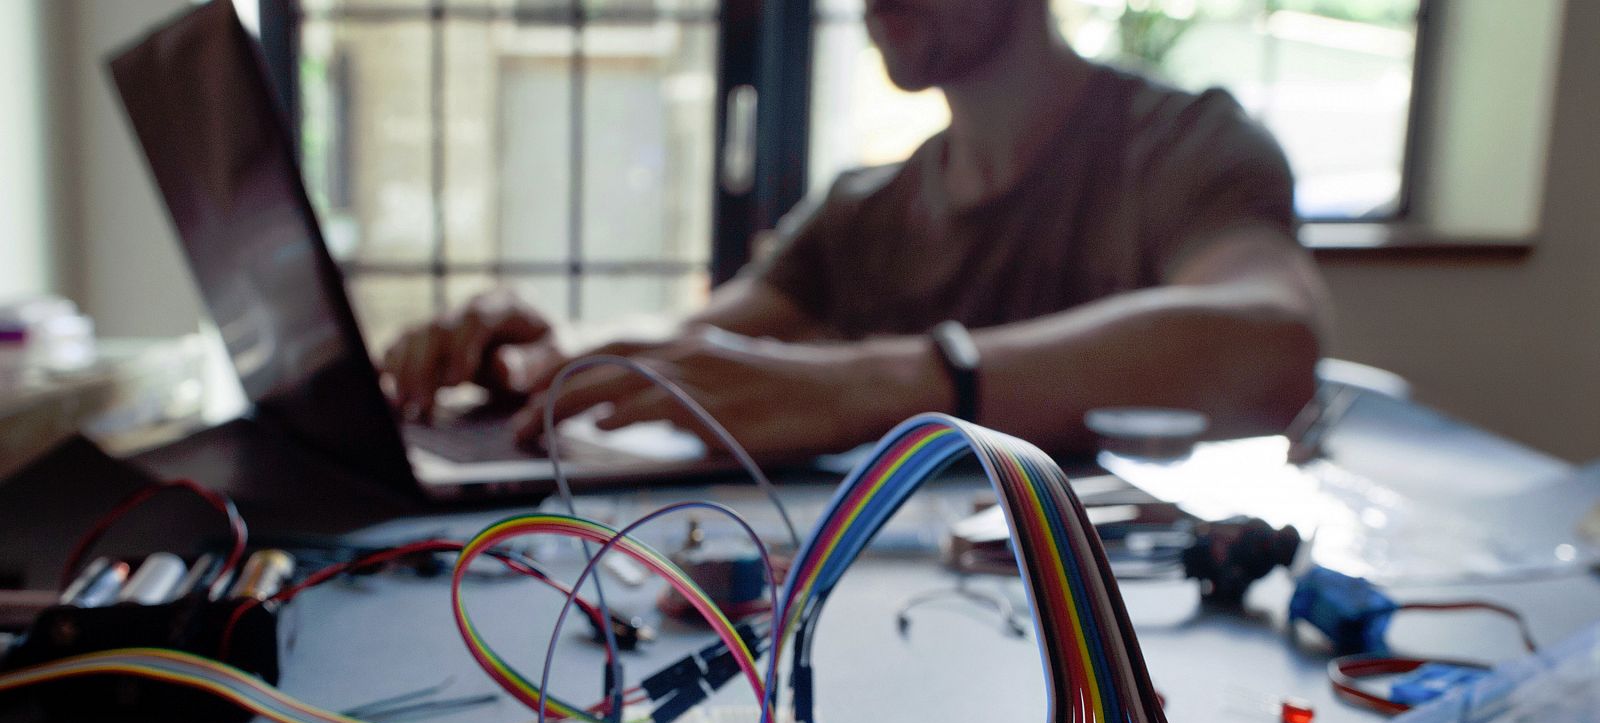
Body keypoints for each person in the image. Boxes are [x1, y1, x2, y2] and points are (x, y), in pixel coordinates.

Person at [383, 0, 1327, 459]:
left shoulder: (1188, 146)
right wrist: (543, 353)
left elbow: (1272, 343)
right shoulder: (861, 210)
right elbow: (704, 350)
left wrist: (888, 387)